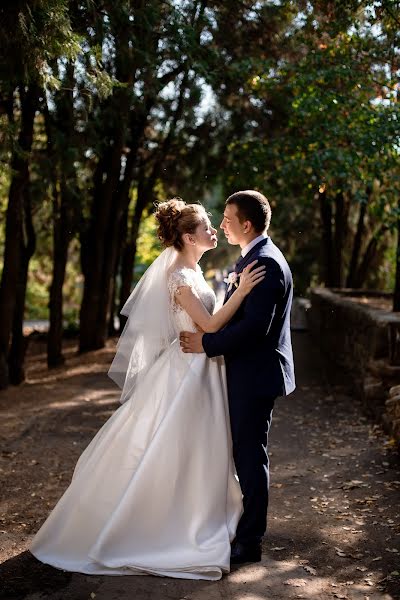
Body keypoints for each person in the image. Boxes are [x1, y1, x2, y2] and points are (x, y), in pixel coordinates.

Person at [29, 198, 265, 581]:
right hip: (188, 372)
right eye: (206, 226)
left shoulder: (191, 270)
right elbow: (209, 326)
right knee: (180, 446)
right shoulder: (181, 278)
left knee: (197, 448)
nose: (213, 230)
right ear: (189, 237)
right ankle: (170, 526)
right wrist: (239, 292)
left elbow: (204, 324)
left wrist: (232, 290)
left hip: (200, 368)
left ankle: (200, 514)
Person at [180, 190, 295, 565]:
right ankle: (239, 529)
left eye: (227, 219)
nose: (223, 224)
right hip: (248, 373)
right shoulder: (253, 258)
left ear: (246, 224)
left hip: (255, 376)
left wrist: (206, 343)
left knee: (249, 457)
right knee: (243, 453)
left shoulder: (266, 264)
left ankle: (250, 541)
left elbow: (254, 330)